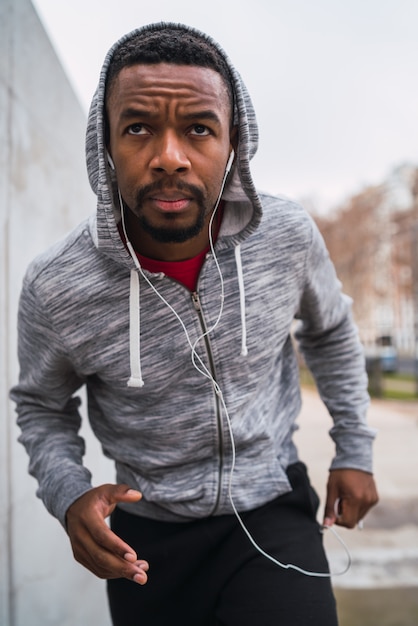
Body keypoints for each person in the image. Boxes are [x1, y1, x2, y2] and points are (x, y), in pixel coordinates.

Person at [11, 22, 378, 626]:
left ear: (235, 141)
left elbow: (331, 330)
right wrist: (69, 493)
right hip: (144, 542)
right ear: (104, 143)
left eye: (199, 128)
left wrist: (356, 447)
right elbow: (41, 406)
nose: (169, 157)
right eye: (138, 128)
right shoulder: (56, 284)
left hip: (273, 509)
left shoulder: (285, 237)